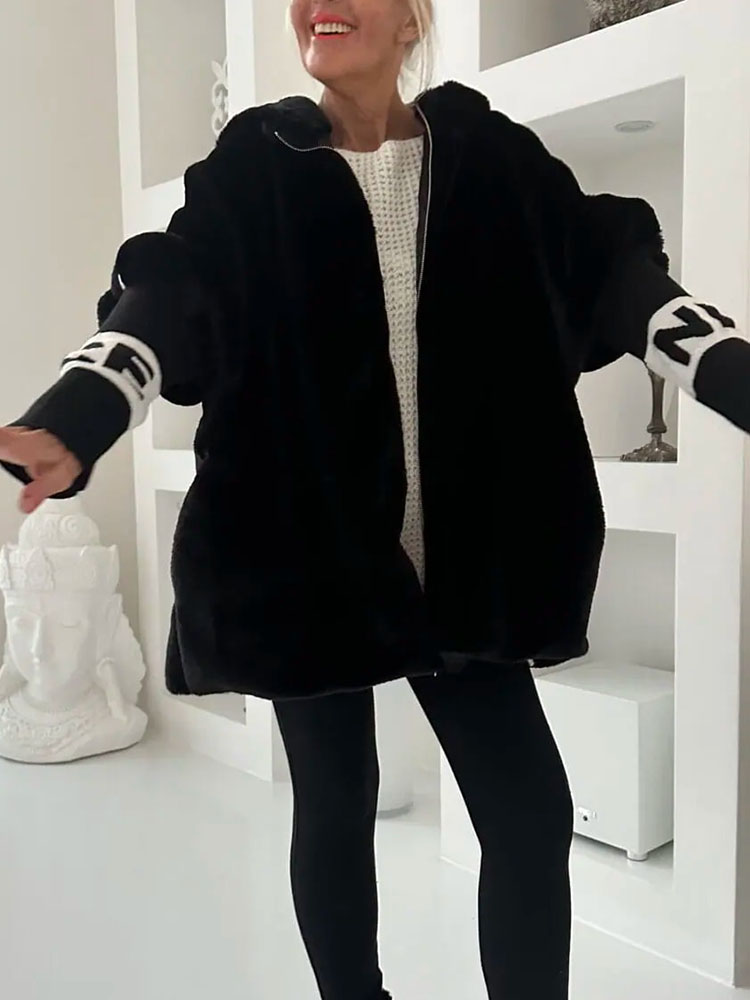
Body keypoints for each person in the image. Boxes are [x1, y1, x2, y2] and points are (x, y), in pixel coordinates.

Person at [1, 1, 748, 996]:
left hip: (467, 568)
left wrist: (728, 369)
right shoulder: (252, 170)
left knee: (528, 814)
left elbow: (611, 272)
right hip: (303, 561)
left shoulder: (492, 160)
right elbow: (170, 297)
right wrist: (81, 409)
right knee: (336, 801)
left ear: (411, 20)